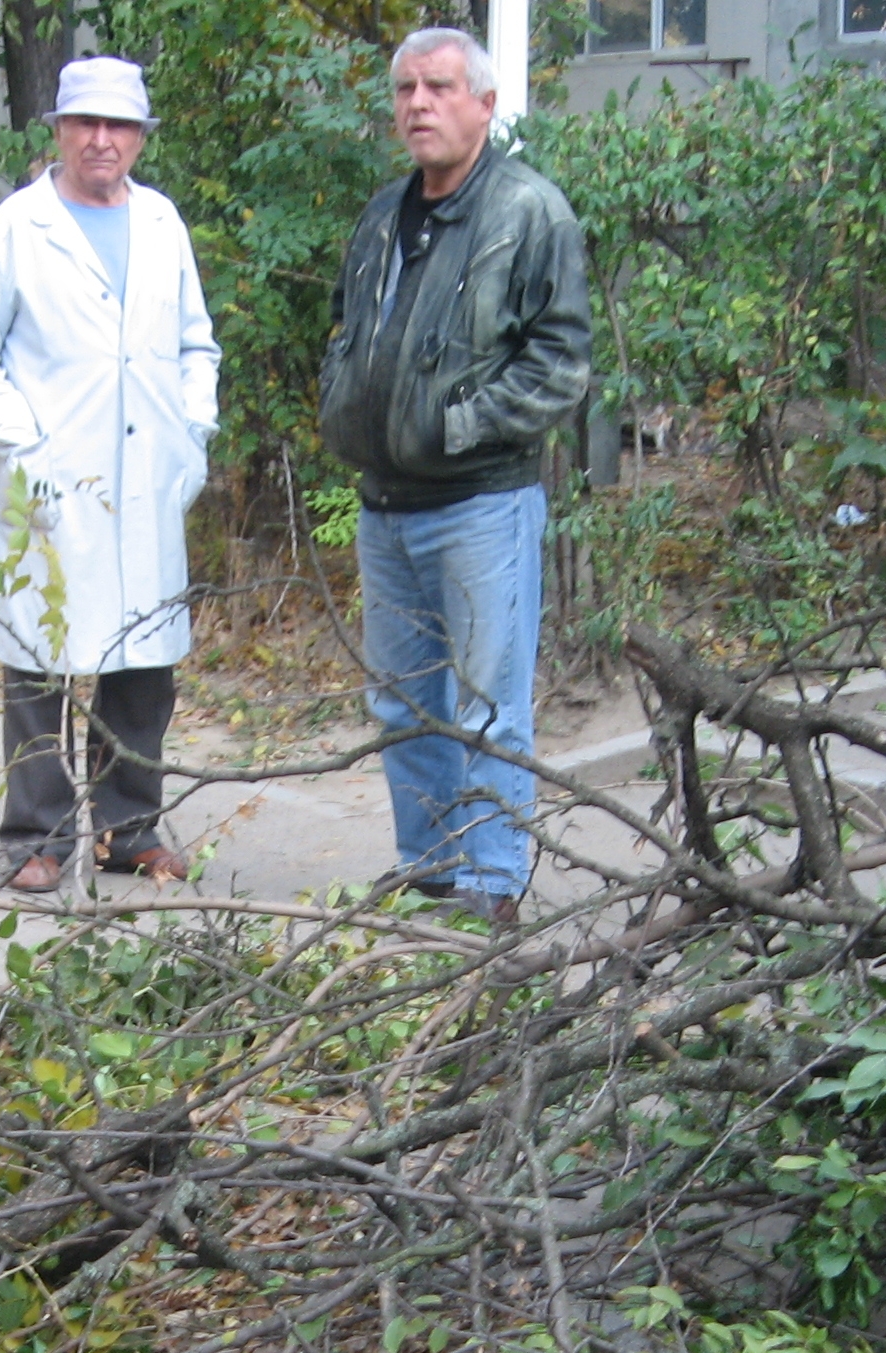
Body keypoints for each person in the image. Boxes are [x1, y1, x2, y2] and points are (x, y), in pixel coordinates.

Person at [318, 25, 592, 928]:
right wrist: (344, 406)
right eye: (404, 89)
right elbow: (345, 330)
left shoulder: (527, 212)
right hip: (385, 504)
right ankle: (433, 868)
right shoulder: (381, 213)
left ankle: (494, 880)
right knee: (401, 705)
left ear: (484, 103)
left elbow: (558, 364)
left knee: (487, 706)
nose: (418, 105)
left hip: (481, 503)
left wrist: (454, 427)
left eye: (438, 87)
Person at [0, 55, 220, 893]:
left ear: (139, 137)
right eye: (86, 124)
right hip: (49, 487)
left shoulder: (163, 224)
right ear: (59, 131)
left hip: (145, 478)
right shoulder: (18, 230)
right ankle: (37, 833)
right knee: (39, 659)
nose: (103, 140)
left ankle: (128, 830)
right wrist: (27, 442)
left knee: (141, 665)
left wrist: (191, 432)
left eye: (120, 126)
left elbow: (196, 345)